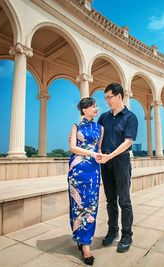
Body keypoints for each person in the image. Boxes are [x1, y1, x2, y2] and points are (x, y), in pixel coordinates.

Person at [97, 82, 138, 253]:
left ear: (119, 96)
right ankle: (112, 230)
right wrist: (99, 152)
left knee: (124, 200)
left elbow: (128, 142)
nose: (107, 101)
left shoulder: (130, 117)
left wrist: (109, 156)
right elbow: (97, 137)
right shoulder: (104, 117)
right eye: (105, 98)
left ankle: (126, 234)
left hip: (121, 161)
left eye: (109, 97)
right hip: (105, 163)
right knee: (110, 200)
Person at [68, 97, 104, 265]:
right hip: (77, 170)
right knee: (77, 205)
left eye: (96, 106)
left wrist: (100, 157)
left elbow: (99, 149)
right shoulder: (75, 127)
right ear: (84, 110)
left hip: (93, 170)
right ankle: (81, 241)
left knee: (91, 205)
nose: (96, 108)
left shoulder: (100, 128)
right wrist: (91, 154)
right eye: (93, 106)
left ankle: (85, 242)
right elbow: (73, 148)